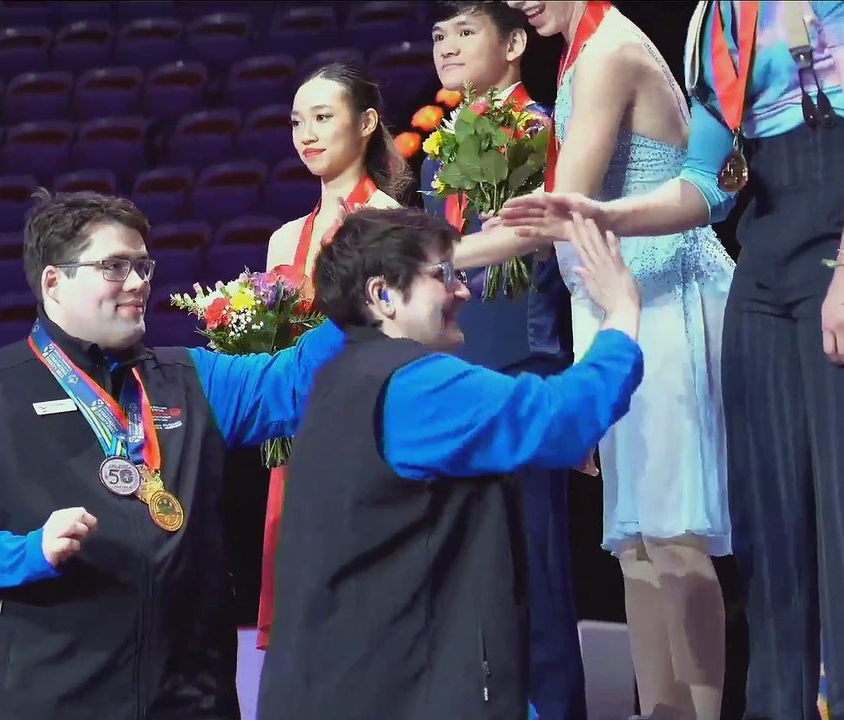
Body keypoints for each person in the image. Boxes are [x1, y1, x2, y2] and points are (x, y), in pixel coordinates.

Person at [497, 2, 844, 718]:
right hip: (765, 262)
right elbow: (711, 182)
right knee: (769, 528)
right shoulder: (713, 22)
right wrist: (609, 216)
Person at [0, 190, 344, 720]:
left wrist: (363, 285)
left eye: (142, 265)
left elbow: (297, 384)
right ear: (54, 283)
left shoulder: (191, 378)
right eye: (114, 267)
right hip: (49, 702)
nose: (138, 284)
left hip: (192, 700)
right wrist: (28, 552)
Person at [257, 207, 643, 720]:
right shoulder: (415, 385)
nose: (463, 290)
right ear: (382, 295)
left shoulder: (334, 382)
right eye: (442, 275)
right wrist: (621, 313)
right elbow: (562, 418)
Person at [507, 2, 737, 718]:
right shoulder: (578, 50)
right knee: (635, 540)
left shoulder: (610, 52)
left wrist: (445, 254)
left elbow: (564, 208)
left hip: (666, 294)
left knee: (675, 535)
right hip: (618, 306)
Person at [422, 3, 584, 718]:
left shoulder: (545, 130)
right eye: (438, 36)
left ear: (515, 43)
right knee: (467, 566)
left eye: (465, 32)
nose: (447, 48)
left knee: (536, 566)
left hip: (525, 365)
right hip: (455, 370)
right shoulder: (434, 151)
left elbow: (547, 244)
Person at [256, 60, 410, 650]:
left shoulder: (393, 224)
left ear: (367, 122)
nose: (308, 134)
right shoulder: (283, 238)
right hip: (297, 442)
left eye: (324, 117)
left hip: (367, 435)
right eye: (298, 121)